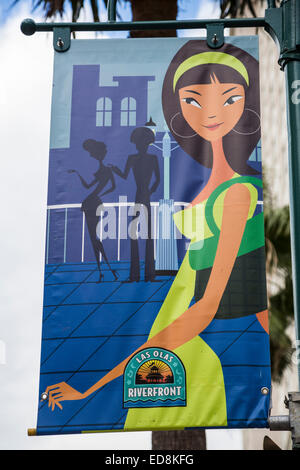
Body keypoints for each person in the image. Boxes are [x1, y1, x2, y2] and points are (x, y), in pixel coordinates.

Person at [44, 41, 270, 430]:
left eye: (229, 98)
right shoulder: (207, 191)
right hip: (215, 339)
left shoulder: (237, 193)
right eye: (195, 100)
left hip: (224, 350)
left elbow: (206, 308)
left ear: (245, 105)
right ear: (178, 109)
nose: (213, 111)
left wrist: (93, 386)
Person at [110, 127, 160, 282]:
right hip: (143, 196)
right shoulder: (143, 158)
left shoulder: (146, 158)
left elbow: (156, 179)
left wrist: (149, 191)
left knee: (142, 234)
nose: (140, 146)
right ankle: (143, 275)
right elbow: (155, 180)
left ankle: (140, 275)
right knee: (141, 234)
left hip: (142, 196)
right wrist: (149, 191)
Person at [69, 139, 118, 282]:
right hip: (92, 202)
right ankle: (105, 270)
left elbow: (90, 187)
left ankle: (104, 270)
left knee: (94, 238)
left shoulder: (104, 169)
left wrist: (98, 195)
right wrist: (78, 173)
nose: (90, 155)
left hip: (92, 203)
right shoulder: (104, 169)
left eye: (92, 152)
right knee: (94, 238)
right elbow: (92, 186)